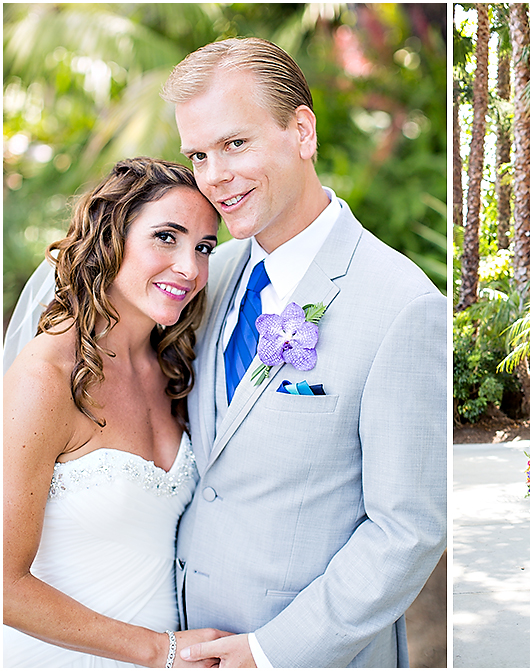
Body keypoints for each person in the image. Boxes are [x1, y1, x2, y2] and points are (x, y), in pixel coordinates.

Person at [160, 38, 447, 667]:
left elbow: (410, 529)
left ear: (302, 132)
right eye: (199, 155)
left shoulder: (403, 306)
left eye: (236, 144)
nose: (215, 176)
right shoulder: (208, 275)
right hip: (187, 645)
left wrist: (269, 652)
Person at [3, 157, 230, 667]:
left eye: (203, 247)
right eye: (166, 237)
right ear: (111, 237)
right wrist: (159, 651)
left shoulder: (172, 369)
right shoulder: (46, 379)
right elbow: (2, 584)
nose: (189, 268)